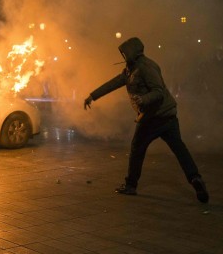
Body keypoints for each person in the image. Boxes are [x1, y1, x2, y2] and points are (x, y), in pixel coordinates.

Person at [83, 37, 209, 203]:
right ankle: (195, 178)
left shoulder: (146, 67)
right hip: (166, 115)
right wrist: (93, 95)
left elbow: (159, 91)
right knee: (179, 149)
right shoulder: (131, 69)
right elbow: (114, 83)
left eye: (124, 53)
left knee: (137, 149)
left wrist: (143, 100)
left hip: (154, 117)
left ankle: (131, 185)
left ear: (132, 52)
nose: (123, 57)